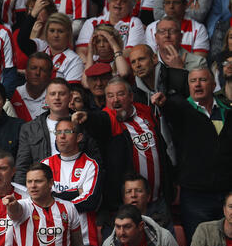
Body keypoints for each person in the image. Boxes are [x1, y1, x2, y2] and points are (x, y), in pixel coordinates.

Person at [72, 77, 174, 231]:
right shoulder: (109, 118)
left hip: (157, 202)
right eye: (110, 96)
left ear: (131, 96)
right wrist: (87, 118)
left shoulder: (145, 112)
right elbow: (99, 121)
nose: (115, 100)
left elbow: (162, 148)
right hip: (124, 208)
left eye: (120, 94)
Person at [151, 68, 232, 242]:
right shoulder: (183, 109)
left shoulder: (227, 111)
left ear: (213, 84)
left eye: (202, 80)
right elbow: (172, 108)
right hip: (196, 196)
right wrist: (163, 103)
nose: (197, 84)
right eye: (193, 81)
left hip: (227, 193)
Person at [41, 119, 101, 246]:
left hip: (84, 239)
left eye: (68, 131)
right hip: (50, 239)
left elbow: (90, 201)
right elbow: (39, 200)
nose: (62, 136)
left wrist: (55, 198)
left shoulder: (91, 165)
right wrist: (75, 193)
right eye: (58, 132)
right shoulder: (45, 164)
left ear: (79, 136)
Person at [15, 77, 100, 185]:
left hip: (77, 186)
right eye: (52, 94)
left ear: (70, 98)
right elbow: (22, 168)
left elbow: (95, 161)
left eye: (61, 94)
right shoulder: (30, 128)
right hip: (42, 190)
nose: (57, 98)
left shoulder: (82, 123)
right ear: (46, 98)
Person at [76, 0, 145, 59]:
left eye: (123, 1)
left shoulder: (134, 23)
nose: (118, 3)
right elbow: (82, 50)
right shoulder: (91, 23)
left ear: (131, 5)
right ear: (108, 1)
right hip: (93, 68)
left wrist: (106, 61)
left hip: (120, 68)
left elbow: (131, 51)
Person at [145, 0, 209, 57]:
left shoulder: (199, 29)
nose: (171, 6)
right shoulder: (152, 28)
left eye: (176, 3)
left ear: (185, 5)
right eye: (167, 2)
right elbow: (152, 59)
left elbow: (199, 61)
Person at [29, 12, 85, 85]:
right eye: (52, 31)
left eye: (60, 31)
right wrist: (33, 14)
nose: (55, 35)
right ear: (46, 32)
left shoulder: (74, 60)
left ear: (68, 34)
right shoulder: (40, 47)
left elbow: (72, 91)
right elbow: (21, 40)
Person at [10, 52, 52, 122]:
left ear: (50, 75)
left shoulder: (54, 96)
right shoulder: (14, 94)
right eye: (33, 68)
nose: (37, 73)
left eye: (43, 69)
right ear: (26, 71)